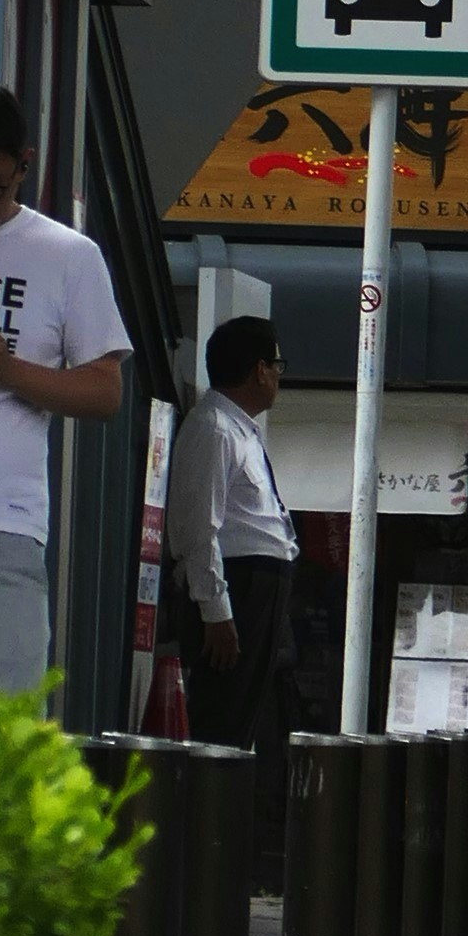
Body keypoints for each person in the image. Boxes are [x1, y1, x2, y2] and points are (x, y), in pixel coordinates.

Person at [0, 84, 127, 706]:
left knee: (6, 729)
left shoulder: (68, 256)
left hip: (2, 523)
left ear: (25, 164)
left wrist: (11, 372)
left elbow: (105, 392)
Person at [171, 316, 302, 864]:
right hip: (238, 589)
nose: (278, 377)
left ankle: (223, 844)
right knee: (221, 718)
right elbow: (198, 529)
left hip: (263, 584)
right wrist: (217, 611)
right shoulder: (213, 428)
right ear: (259, 369)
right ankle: (203, 849)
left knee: (250, 721)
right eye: (276, 365)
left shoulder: (241, 427)